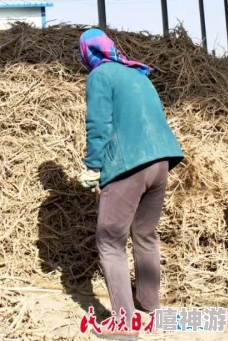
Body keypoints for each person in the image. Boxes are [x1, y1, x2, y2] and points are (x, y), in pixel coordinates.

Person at [77, 29, 184, 339]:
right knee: (145, 234)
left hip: (130, 166)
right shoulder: (138, 74)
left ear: (88, 52)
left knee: (110, 241)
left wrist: (93, 166)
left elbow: (99, 125)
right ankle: (150, 306)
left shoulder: (101, 75)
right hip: (161, 162)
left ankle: (124, 325)